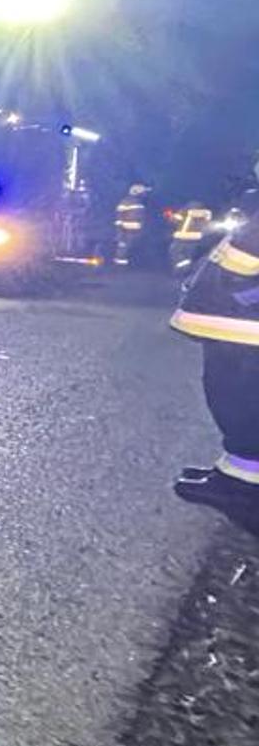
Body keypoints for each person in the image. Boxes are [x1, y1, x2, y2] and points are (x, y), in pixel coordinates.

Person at [173, 188, 259, 508]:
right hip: (243, 327)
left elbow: (242, 261)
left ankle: (241, 488)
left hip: (245, 329)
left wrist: (233, 292)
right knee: (241, 404)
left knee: (238, 405)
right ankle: (233, 474)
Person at [168, 201, 216, 275]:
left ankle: (183, 272)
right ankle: (185, 271)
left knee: (180, 256)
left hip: (184, 239)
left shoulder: (187, 213)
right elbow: (208, 227)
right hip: (191, 240)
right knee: (184, 257)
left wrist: (171, 215)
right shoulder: (205, 214)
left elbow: (175, 220)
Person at [113, 183, 152, 266]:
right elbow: (118, 219)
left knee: (131, 250)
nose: (145, 194)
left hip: (136, 232)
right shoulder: (126, 202)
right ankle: (120, 268)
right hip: (127, 232)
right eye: (143, 192)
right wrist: (120, 234)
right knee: (123, 250)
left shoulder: (139, 203)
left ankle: (129, 266)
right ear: (138, 193)